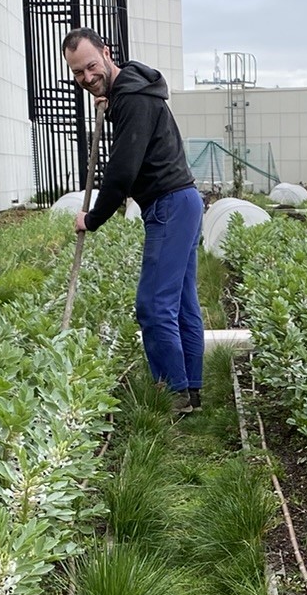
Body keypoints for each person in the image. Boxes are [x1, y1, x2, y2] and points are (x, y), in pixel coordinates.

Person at [63, 28, 205, 414]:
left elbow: (122, 172)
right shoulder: (133, 92)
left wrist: (91, 220)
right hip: (183, 201)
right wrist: (112, 109)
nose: (87, 78)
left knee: (153, 306)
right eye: (78, 74)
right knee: (180, 304)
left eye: (91, 67)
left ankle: (171, 393)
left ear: (107, 54)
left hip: (169, 205)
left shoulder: (132, 99)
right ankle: (190, 390)